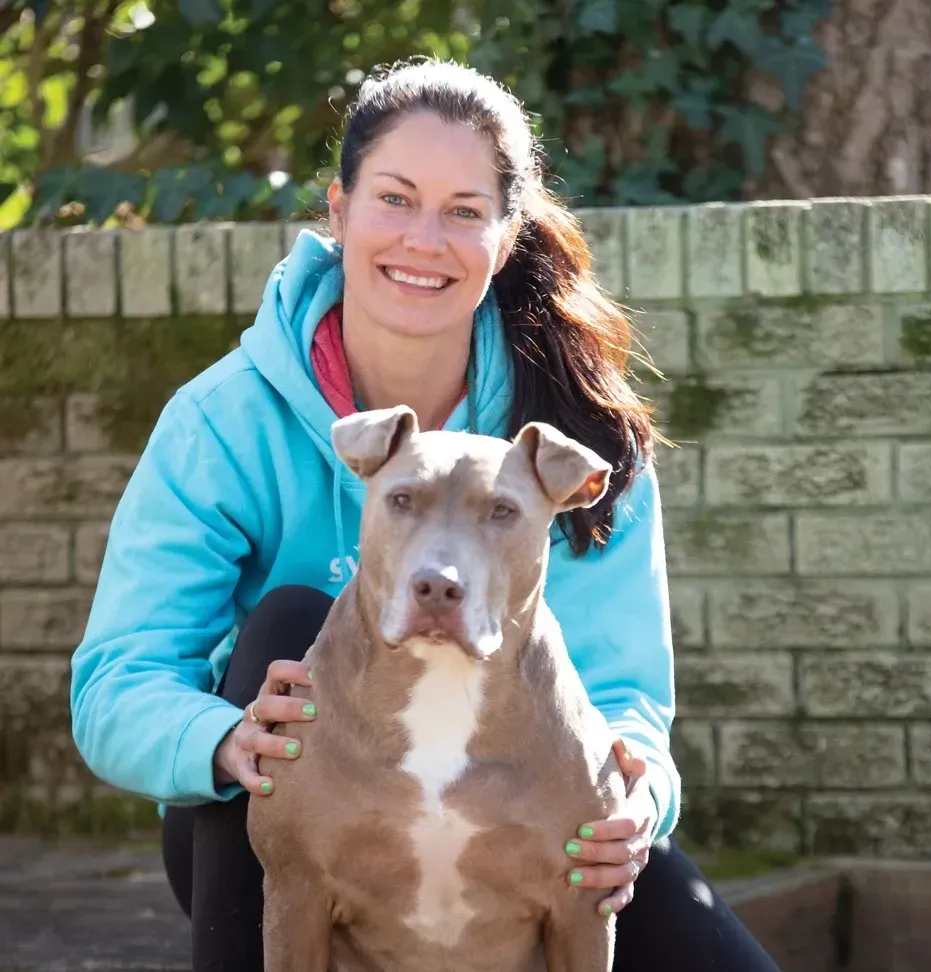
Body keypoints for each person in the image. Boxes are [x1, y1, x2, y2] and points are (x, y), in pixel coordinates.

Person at [70, 58, 780, 972]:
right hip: (280, 825)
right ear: (338, 208)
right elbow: (116, 679)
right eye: (396, 199)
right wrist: (220, 735)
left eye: (464, 211)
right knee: (291, 619)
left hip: (528, 816)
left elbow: (627, 695)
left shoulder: (576, 432)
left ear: (508, 233)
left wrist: (637, 803)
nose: (423, 239)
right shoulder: (223, 422)